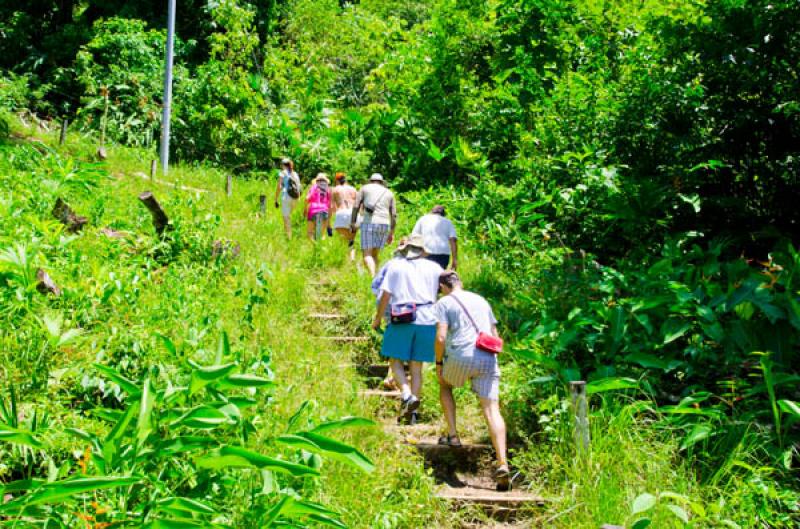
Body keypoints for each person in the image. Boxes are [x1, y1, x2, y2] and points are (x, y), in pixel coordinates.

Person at [433, 271, 509, 491]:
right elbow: (494, 333)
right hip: (487, 356)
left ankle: (453, 435)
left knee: (445, 385)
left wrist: (439, 363)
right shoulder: (481, 300)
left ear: (442, 287)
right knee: (492, 409)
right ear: (460, 283)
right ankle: (502, 461)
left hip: (460, 356)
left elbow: (440, 337)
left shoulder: (444, 302)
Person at [372, 234, 443, 422]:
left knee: (395, 360)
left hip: (402, 317)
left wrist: (377, 319)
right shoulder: (435, 268)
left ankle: (406, 394)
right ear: (423, 251)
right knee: (417, 367)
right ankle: (413, 413)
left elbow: (385, 295)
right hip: (428, 318)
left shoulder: (396, 266)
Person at [351, 173, 396, 276]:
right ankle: (377, 278)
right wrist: (392, 232)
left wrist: (353, 222)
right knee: (375, 255)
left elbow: (356, 206)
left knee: (367, 254)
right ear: (382, 182)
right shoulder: (389, 192)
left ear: (370, 181)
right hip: (384, 224)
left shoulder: (364, 188)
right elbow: (393, 215)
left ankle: (372, 277)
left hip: (369, 223)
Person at [412, 205, 458, 270]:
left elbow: (415, 237)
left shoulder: (423, 219)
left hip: (426, 252)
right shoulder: (448, 222)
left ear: (431, 212)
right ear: (443, 214)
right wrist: (454, 260)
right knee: (439, 275)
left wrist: (414, 255)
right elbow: (453, 241)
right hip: (443, 254)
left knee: (425, 275)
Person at [331, 172, 359, 260]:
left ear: (336, 180)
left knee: (343, 240)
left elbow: (332, 206)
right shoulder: (353, 189)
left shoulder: (335, 189)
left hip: (342, 213)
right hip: (354, 214)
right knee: (351, 240)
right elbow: (358, 204)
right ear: (345, 179)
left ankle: (344, 260)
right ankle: (352, 258)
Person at [274, 158, 300, 239]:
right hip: (296, 198)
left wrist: (275, 198)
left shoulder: (282, 173)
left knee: (286, 218)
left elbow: (279, 187)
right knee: (288, 216)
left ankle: (288, 237)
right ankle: (288, 234)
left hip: (286, 197)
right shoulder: (295, 174)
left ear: (283, 165)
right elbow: (299, 187)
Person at [305, 173, 331, 240]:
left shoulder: (314, 187)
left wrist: (305, 209)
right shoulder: (328, 189)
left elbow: (307, 199)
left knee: (310, 233)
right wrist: (329, 222)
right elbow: (330, 205)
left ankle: (316, 246)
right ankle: (318, 247)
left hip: (313, 211)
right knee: (320, 235)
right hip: (324, 211)